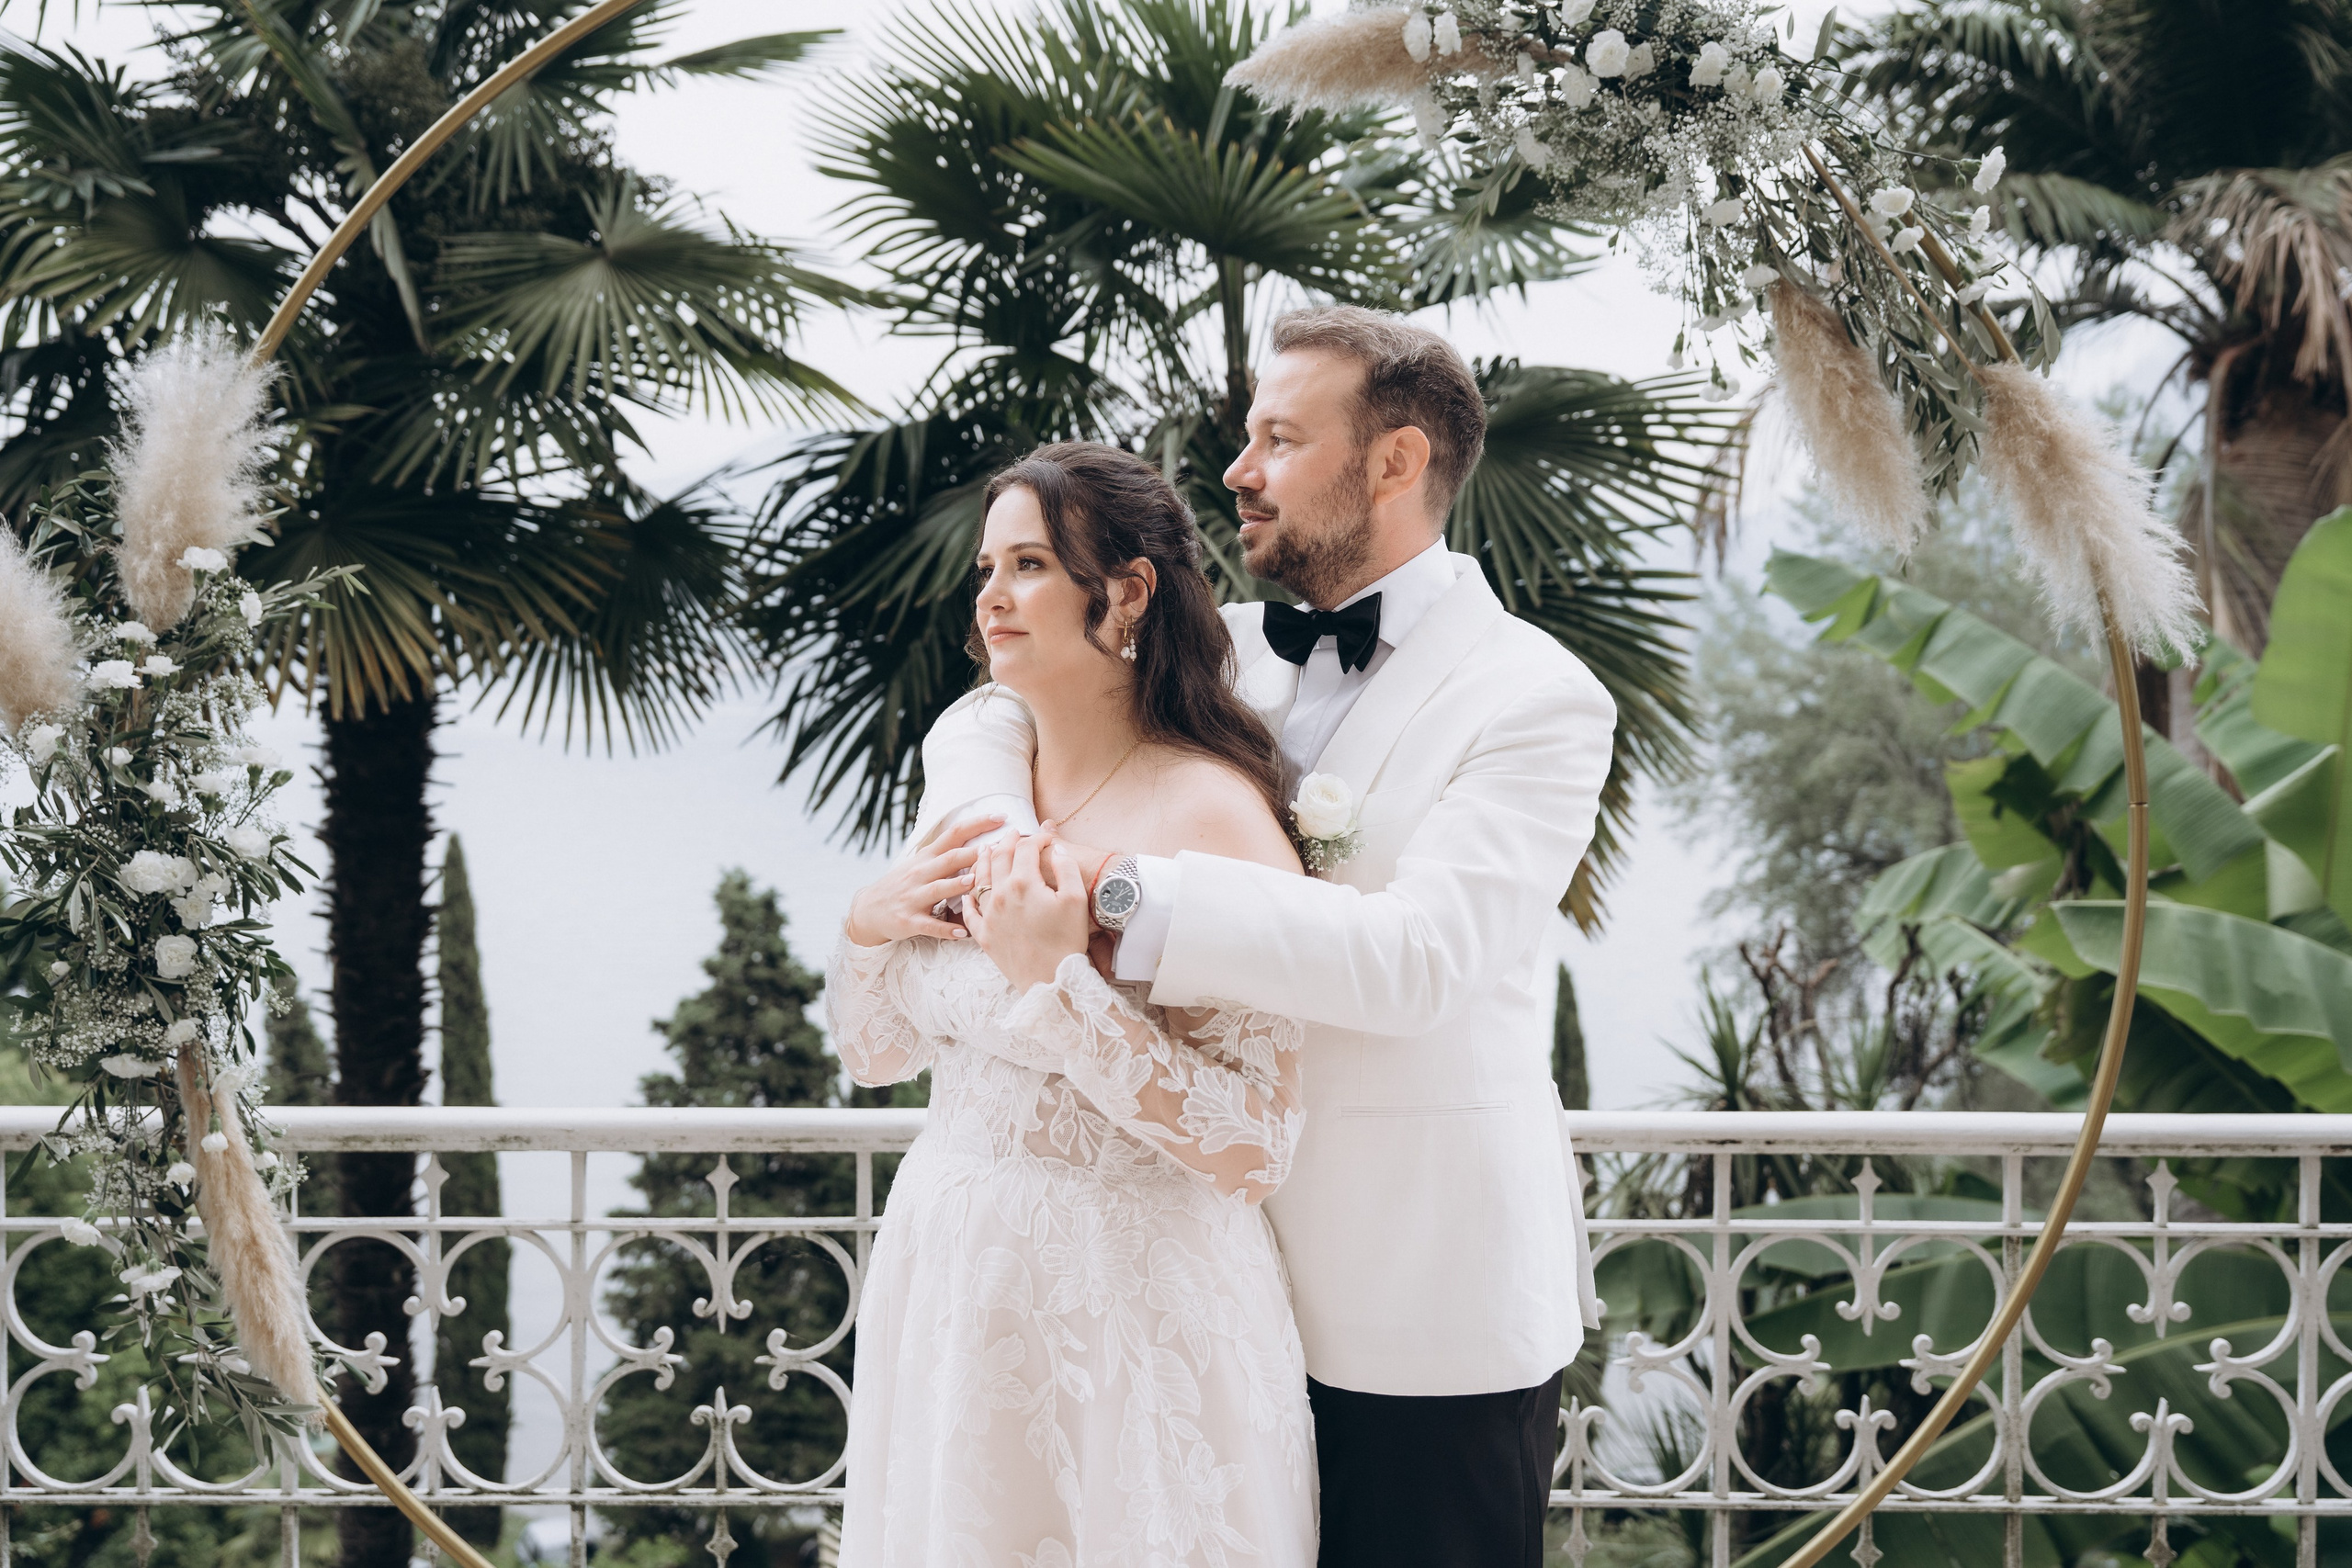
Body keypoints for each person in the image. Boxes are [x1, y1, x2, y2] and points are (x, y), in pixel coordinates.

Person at [914, 305, 1613, 1567]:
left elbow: (1417, 963)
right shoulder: (1229, 650)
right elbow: (994, 707)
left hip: (1420, 1309)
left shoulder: (1538, 696)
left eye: (1279, 437)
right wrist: (987, 835)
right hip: (1199, 1295)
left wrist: (1111, 895)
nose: (1237, 469)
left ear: (1393, 462)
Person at [826, 443, 1317, 1567]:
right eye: (986, 568)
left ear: (1128, 592)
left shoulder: (1215, 817)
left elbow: (1254, 1147)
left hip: (1129, 1313)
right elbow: (874, 1049)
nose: (991, 597)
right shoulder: (976, 801)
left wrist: (1060, 988)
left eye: (1031, 565)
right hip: (953, 1287)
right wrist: (866, 925)